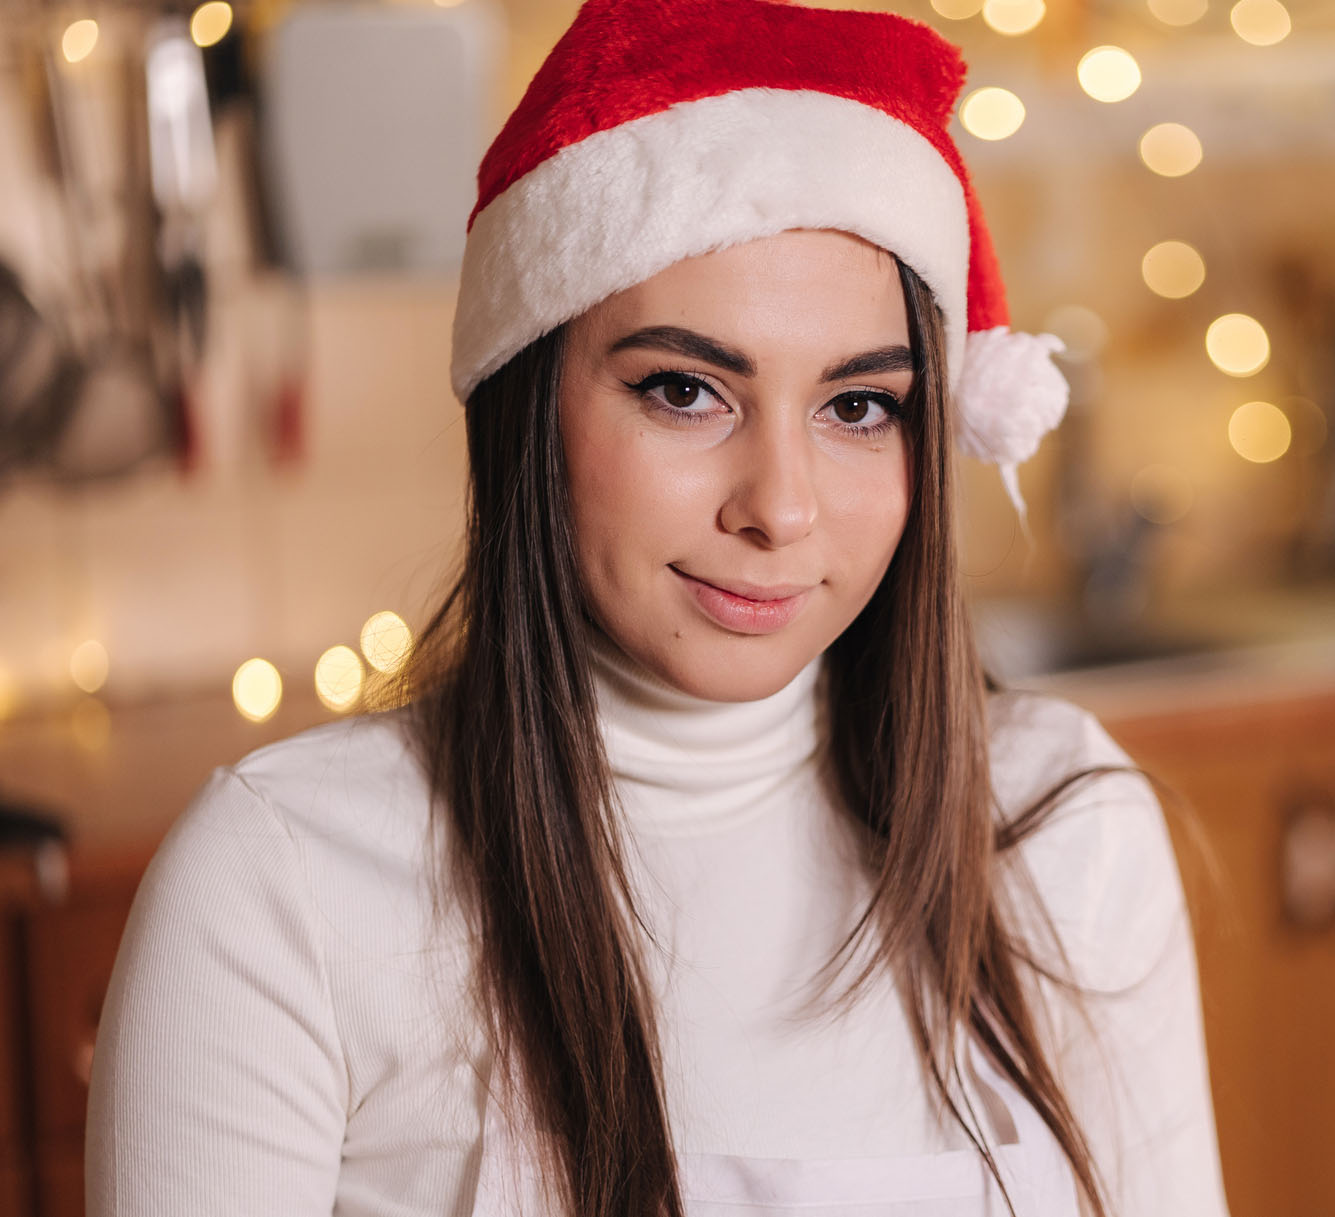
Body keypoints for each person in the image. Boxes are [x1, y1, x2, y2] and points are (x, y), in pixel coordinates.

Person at [85, 2, 1229, 1214]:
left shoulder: (1057, 834)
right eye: (684, 390)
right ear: (530, 402)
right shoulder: (284, 886)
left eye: (857, 407)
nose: (778, 509)